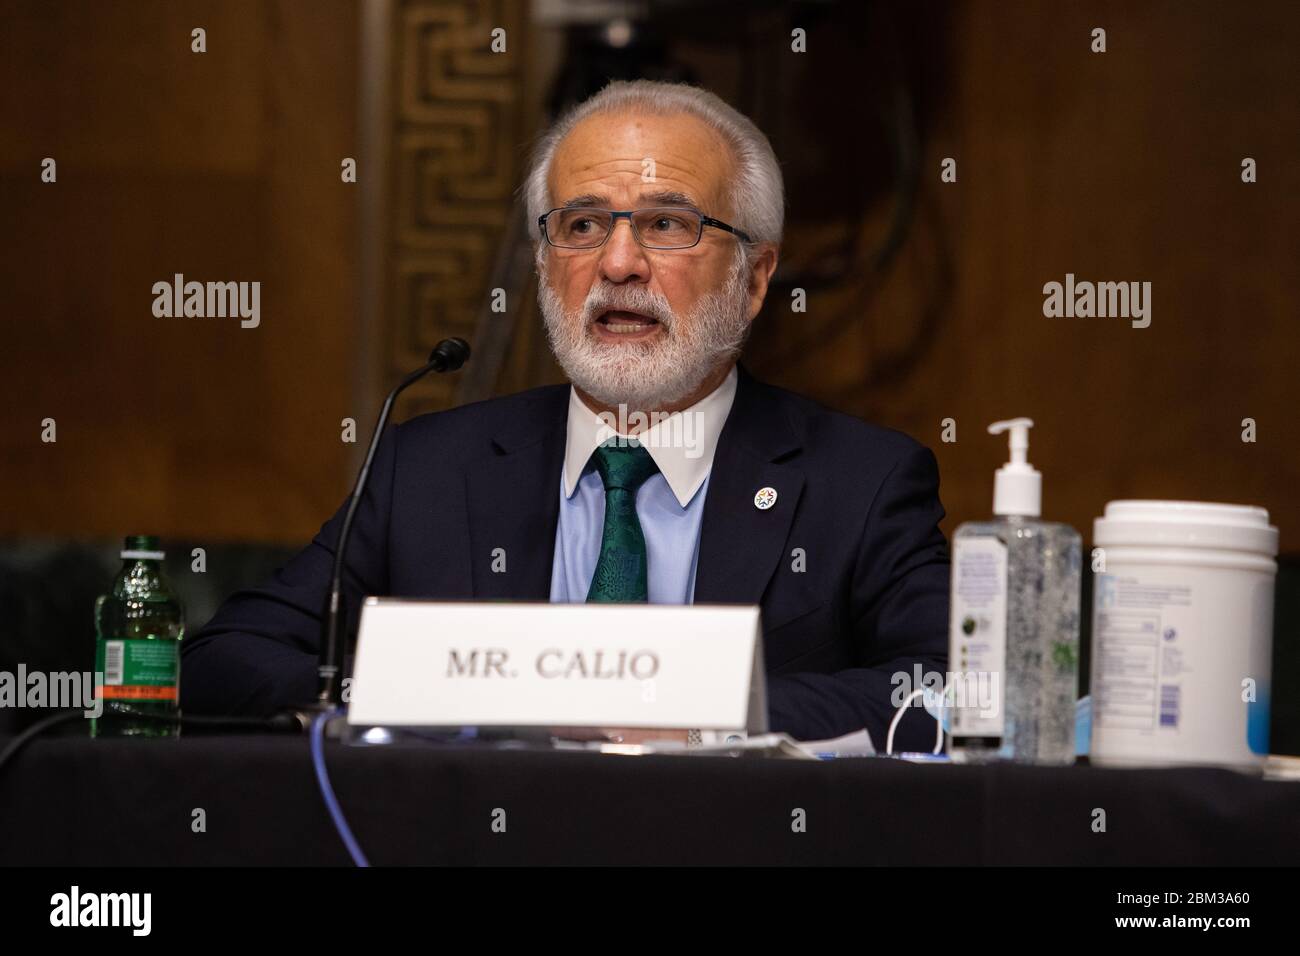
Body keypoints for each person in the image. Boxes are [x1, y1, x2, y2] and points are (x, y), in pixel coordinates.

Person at [181, 80, 950, 748]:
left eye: (666, 224)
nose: (617, 264)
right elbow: (226, 659)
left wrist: (706, 715)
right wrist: (408, 708)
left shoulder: (860, 482)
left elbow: (950, 689)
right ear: (546, 261)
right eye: (582, 225)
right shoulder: (429, 469)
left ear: (754, 278)